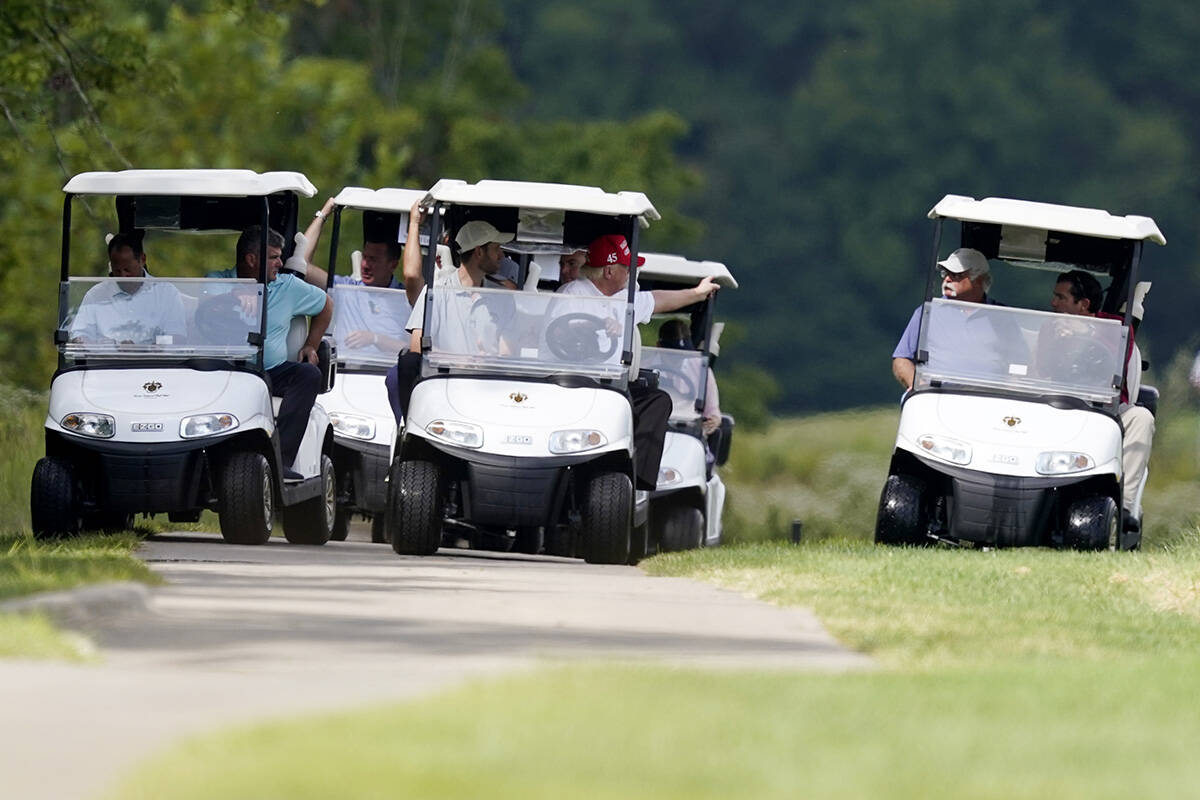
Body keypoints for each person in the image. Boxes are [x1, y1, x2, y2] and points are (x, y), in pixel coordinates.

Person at [557, 234, 719, 490]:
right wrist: (591, 326)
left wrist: (698, 293)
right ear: (610, 270)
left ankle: (635, 482)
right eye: (627, 267)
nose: (632, 273)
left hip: (614, 385)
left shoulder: (626, 297)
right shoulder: (573, 294)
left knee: (657, 400)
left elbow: (661, 300)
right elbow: (565, 333)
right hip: (577, 382)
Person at [207, 226, 333, 480]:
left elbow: (326, 306)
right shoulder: (220, 281)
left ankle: (281, 461)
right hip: (228, 372)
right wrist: (236, 294)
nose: (280, 263)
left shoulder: (288, 286)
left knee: (308, 375)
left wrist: (311, 344)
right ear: (252, 259)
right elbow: (205, 308)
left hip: (272, 371)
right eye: (274, 257)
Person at [1047, 269, 1155, 526]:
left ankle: (1126, 507)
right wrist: (1057, 343)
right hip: (1057, 402)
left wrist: (1080, 336)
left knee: (1141, 417)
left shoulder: (1115, 328)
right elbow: (1042, 371)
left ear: (1083, 304)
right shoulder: (1050, 329)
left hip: (1106, 408)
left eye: (1061, 298)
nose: (1054, 303)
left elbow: (1111, 362)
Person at [385, 219, 517, 422]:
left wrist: (490, 359)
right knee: (403, 366)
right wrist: (460, 361)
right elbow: (416, 346)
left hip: (491, 384)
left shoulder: (502, 296)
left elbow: (507, 350)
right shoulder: (436, 292)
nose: (502, 255)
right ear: (479, 252)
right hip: (444, 383)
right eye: (496, 249)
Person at [297, 197, 411, 356]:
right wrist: (323, 214)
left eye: (373, 260)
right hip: (346, 372)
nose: (365, 265)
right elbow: (302, 265)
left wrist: (375, 339)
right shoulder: (346, 288)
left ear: (393, 265)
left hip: (388, 373)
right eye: (365, 257)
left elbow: (412, 349)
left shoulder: (406, 299)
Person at [892, 247, 1006, 391]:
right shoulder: (928, 311)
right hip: (937, 395)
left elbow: (1020, 363)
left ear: (978, 280)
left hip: (989, 396)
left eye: (956, 275)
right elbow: (902, 359)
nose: (947, 279)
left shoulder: (1001, 315)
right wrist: (917, 385)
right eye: (946, 273)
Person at [70, 232, 187, 345]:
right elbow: (79, 335)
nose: (123, 276)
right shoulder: (96, 295)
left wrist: (149, 347)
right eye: (117, 271)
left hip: (155, 363)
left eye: (128, 270)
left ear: (143, 260)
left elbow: (177, 337)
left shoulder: (166, 293)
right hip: (106, 363)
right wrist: (105, 345)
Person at [657, 318, 721, 436]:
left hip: (687, 430)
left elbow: (712, 410)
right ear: (659, 346)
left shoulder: (701, 369)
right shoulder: (647, 366)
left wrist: (713, 420)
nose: (678, 359)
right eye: (672, 354)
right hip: (655, 426)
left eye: (682, 354)